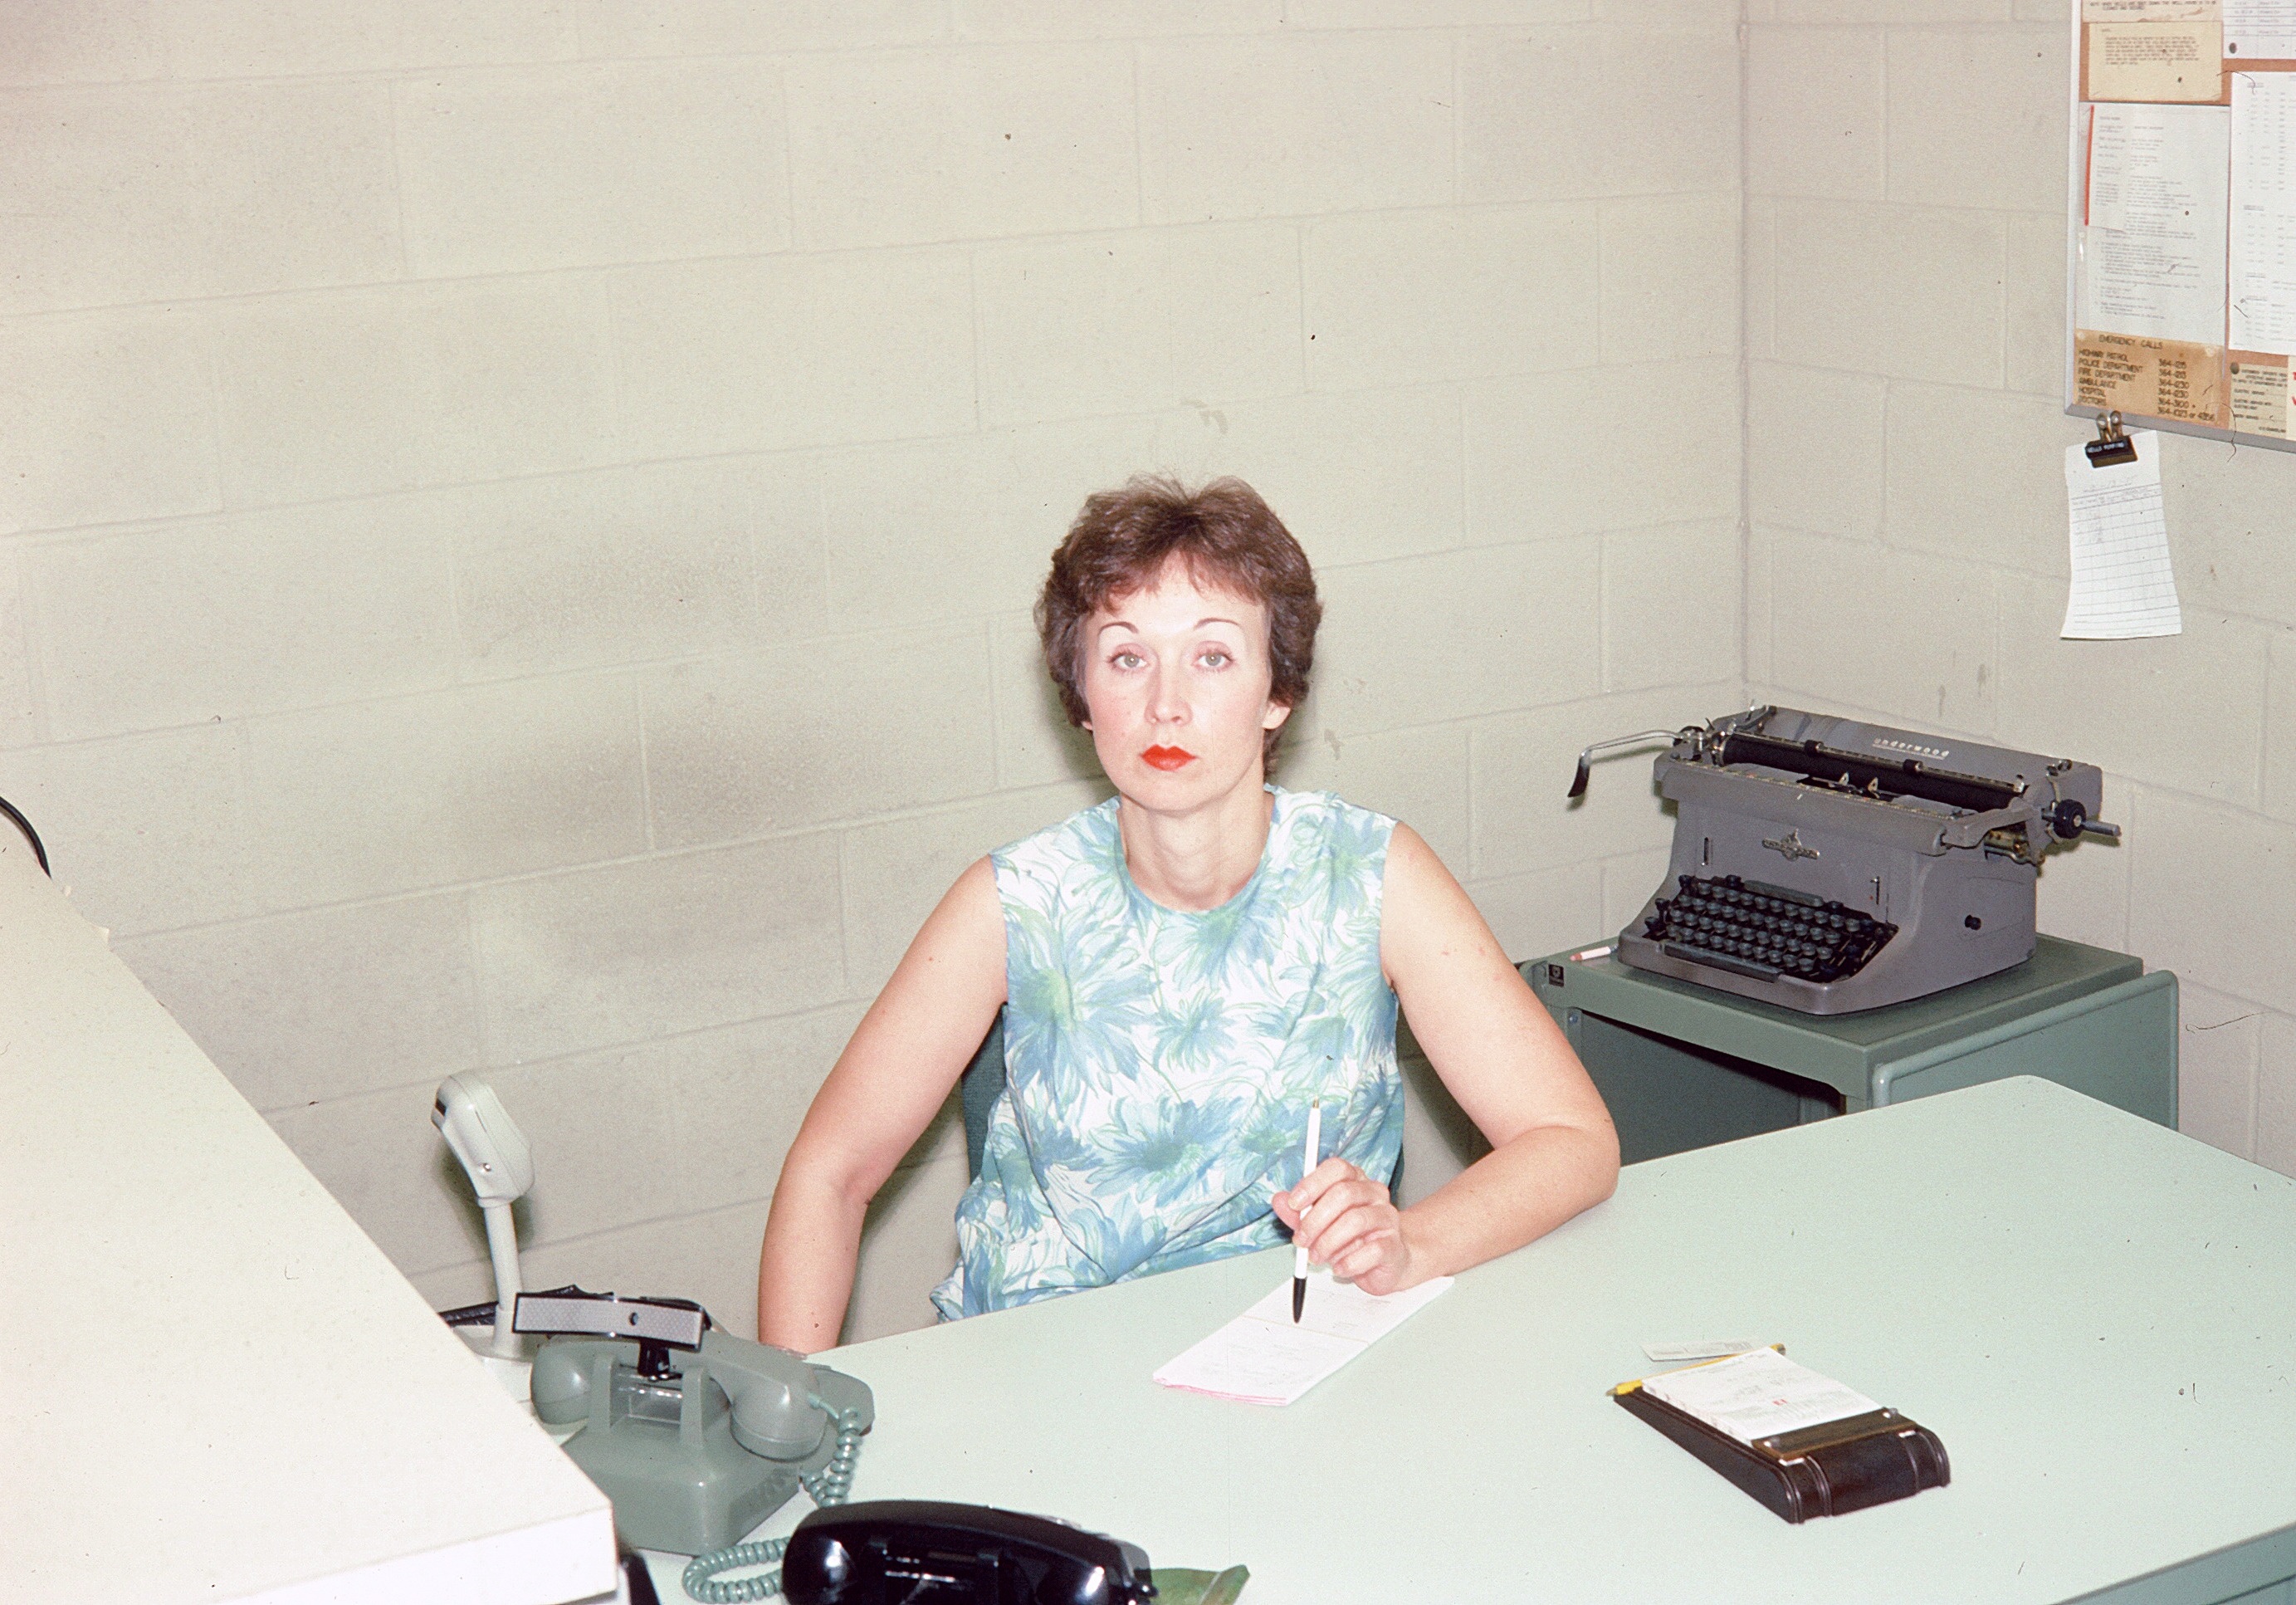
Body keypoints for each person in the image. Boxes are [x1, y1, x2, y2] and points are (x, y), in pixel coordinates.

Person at [756, 476, 1616, 1351]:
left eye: (1212, 657)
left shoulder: (1371, 875)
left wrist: (1413, 1240)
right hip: (1046, 1369)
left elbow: (1571, 1138)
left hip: (1293, 1355)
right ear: (1083, 696)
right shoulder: (1014, 900)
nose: (1165, 703)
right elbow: (829, 1172)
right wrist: (795, 1439)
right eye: (1127, 657)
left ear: (1276, 691)